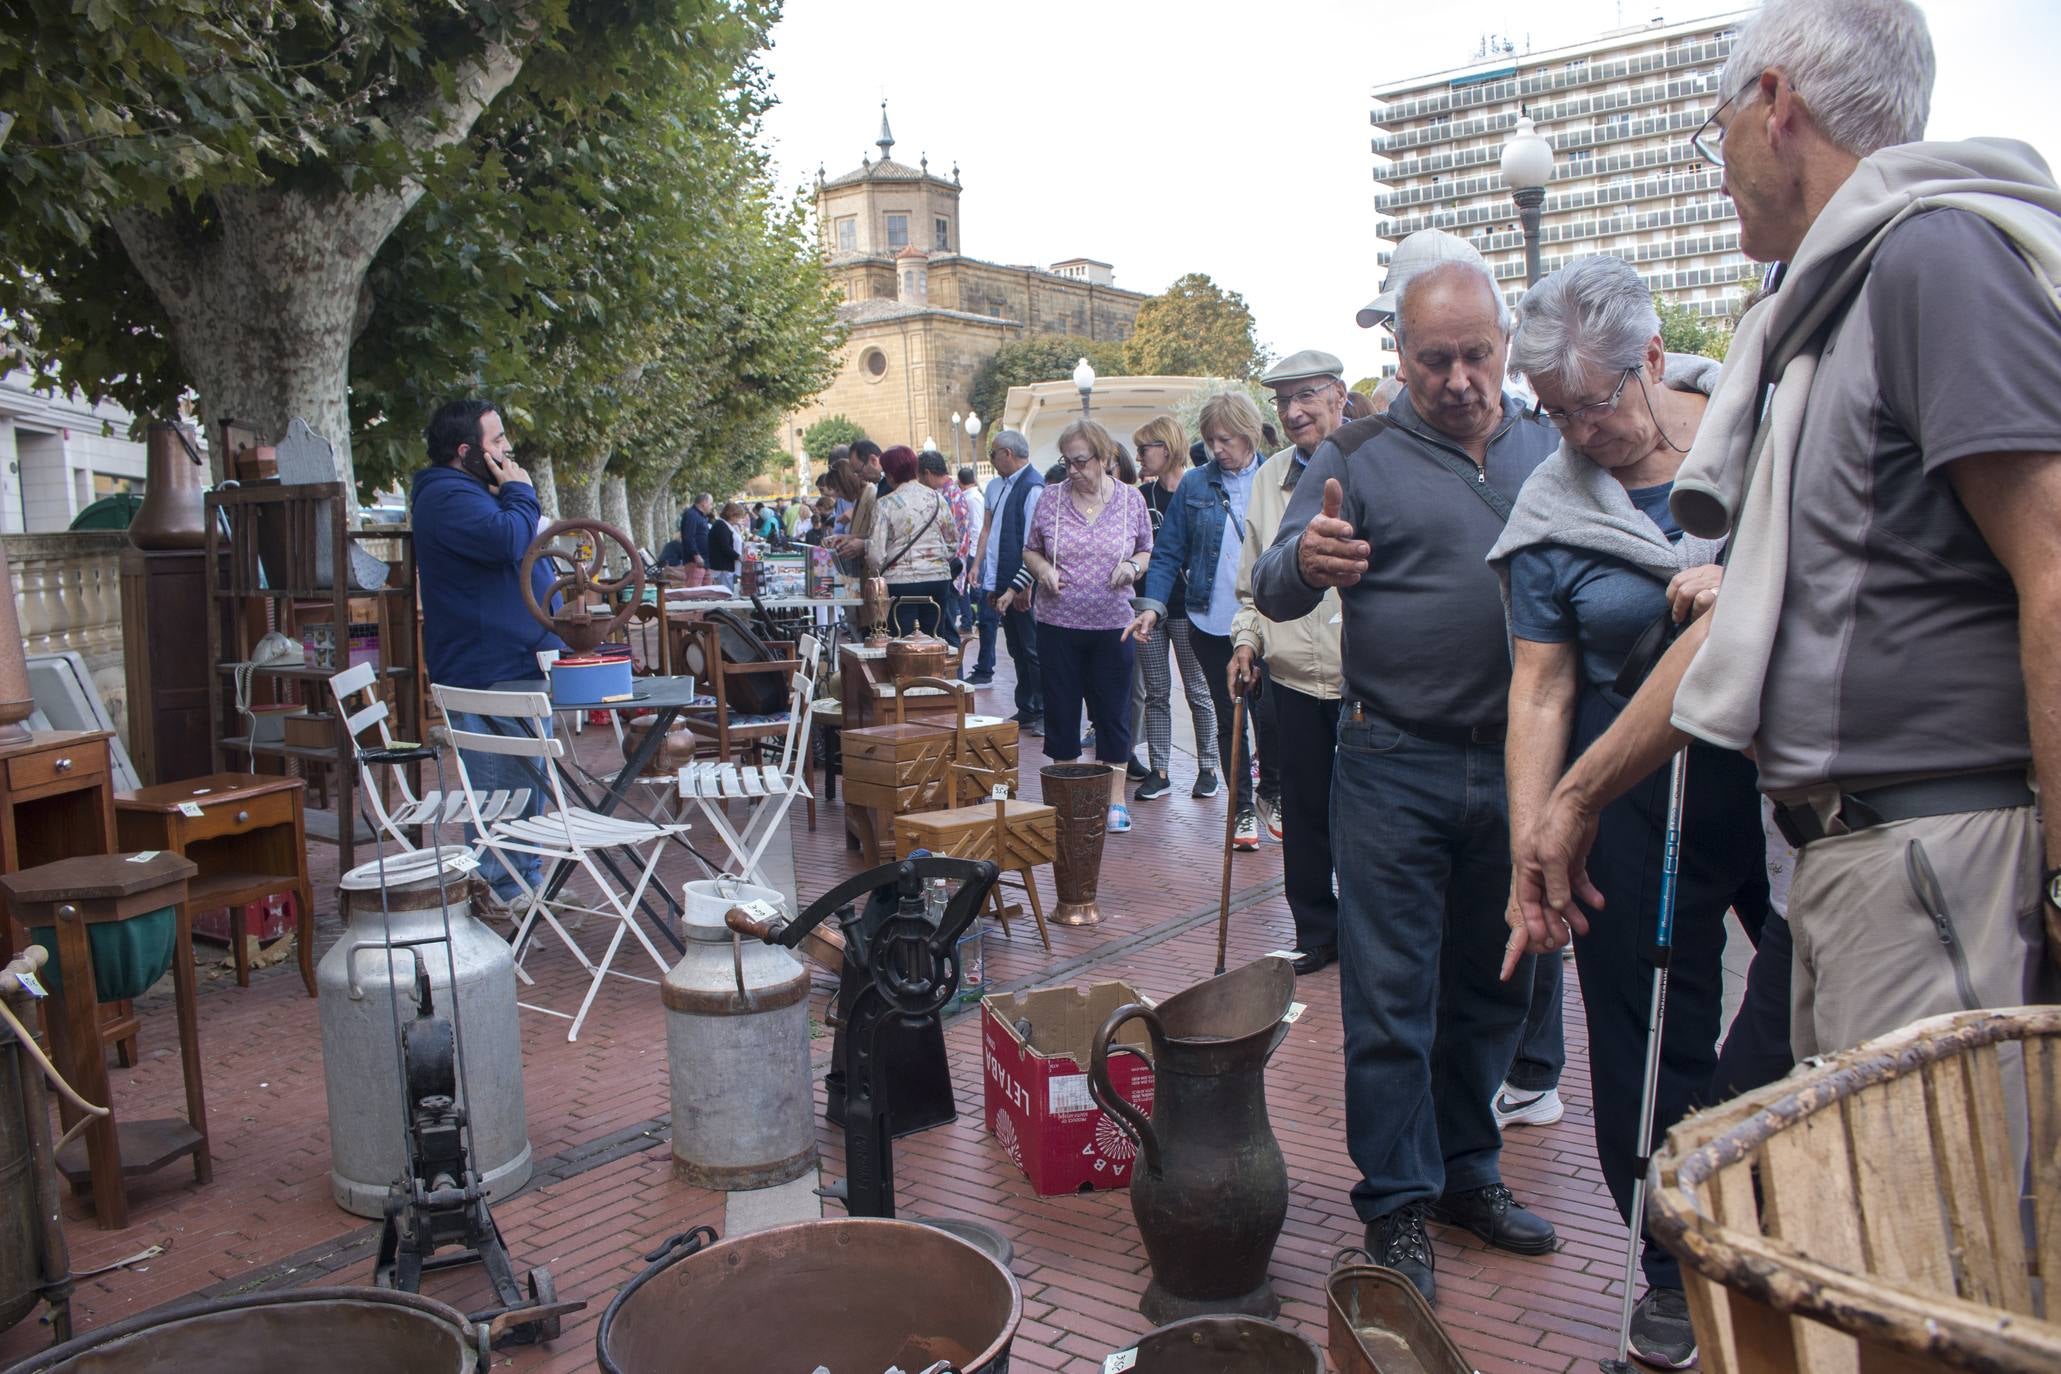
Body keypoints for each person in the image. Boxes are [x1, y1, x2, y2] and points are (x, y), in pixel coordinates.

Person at [1515, 0, 2061, 1075]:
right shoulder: (1835, 304)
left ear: (1776, 103)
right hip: (1864, 865)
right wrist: (1576, 797)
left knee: (1918, 1236)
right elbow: (1758, 614)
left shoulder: (1931, 257)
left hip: (1933, 857)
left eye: (1711, 123)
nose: (1712, 156)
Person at [1488, 255, 1784, 1369]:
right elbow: (1542, 686)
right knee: (1640, 1047)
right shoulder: (1554, 502)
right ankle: (1666, 1269)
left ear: (1655, 359)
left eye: (1596, 401)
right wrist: (1537, 839)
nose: (1577, 430)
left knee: (1800, 1009)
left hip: (1780, 787)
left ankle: (1761, 1214)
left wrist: (1745, 580)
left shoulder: (1765, 434)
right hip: (1631, 796)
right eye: (1553, 410)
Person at [1252, 252, 1563, 1304]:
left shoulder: (1545, 444)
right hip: (1393, 763)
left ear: (1505, 346)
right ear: (1400, 354)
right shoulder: (1357, 452)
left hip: (1518, 766)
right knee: (1391, 1000)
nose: (1460, 378)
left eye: (1478, 354)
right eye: (1436, 360)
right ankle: (1396, 1205)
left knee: (1494, 991)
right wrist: (1311, 560)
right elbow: (1274, 582)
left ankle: (1469, 1175)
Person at [411, 399, 564, 907]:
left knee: (525, 783)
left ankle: (522, 882)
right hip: (486, 671)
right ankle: (501, 891)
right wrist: (520, 492)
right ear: (466, 451)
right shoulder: (446, 497)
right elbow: (507, 539)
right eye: (497, 441)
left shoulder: (470, 491)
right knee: (502, 787)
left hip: (510, 663)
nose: (507, 450)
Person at [1234, 350, 1350, 975]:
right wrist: (1246, 641)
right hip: (1294, 675)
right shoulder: (1269, 477)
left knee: (1364, 814)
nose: (1294, 411)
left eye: (1306, 396)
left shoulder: (1371, 456)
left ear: (1338, 394)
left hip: (1364, 678)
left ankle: (1367, 927)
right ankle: (1317, 930)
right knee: (1303, 813)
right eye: (1283, 400)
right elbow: (1253, 578)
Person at [1130, 391, 1269, 851]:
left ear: (1248, 433)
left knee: (1273, 715)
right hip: (1212, 621)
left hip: (1272, 621)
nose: (1217, 450)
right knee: (1232, 717)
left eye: (1225, 439)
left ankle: (1274, 791)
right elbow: (1167, 552)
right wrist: (1152, 606)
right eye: (1210, 441)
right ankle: (1242, 808)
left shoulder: (1277, 476)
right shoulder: (1195, 485)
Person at [1003, 419, 1151, 832]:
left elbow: (1145, 550)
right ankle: (1068, 796)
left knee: (1113, 712)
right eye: (1067, 462)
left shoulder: (1131, 501)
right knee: (1062, 709)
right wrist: (1043, 570)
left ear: (1104, 458)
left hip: (1113, 625)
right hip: (1059, 623)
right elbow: (1030, 550)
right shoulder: (1051, 499)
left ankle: (1115, 801)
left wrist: (1131, 565)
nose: (1072, 470)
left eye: (1081, 462)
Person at [1126, 416, 1218, 802]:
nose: (1139, 456)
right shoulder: (1142, 497)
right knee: (1157, 692)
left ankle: (1208, 766)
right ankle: (1160, 769)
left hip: (1187, 606)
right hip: (1149, 604)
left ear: (1166, 447)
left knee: (1198, 689)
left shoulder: (1199, 490)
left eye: (1144, 448)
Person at [972, 431, 1043, 731]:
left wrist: (1023, 585)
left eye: (993, 454)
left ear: (1008, 454)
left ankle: (1041, 708)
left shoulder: (1032, 487)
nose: (991, 460)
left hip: (1022, 582)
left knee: (1032, 648)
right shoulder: (1001, 486)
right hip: (1004, 579)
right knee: (1016, 646)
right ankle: (1026, 705)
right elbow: (994, 533)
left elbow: (1033, 541)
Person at [867, 445, 958, 639]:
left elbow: (875, 556)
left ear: (890, 474)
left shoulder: (885, 504)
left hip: (900, 583)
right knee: (934, 641)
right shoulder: (937, 498)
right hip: (937, 580)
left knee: (903, 643)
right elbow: (952, 542)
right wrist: (934, 560)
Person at [957, 465, 985, 637]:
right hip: (974, 549)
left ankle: (969, 622)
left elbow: (975, 527)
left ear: (961, 482)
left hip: (972, 549)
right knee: (970, 588)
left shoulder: (970, 498)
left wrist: (971, 551)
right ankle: (974, 620)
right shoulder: (977, 496)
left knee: (966, 588)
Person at [708, 500, 748, 589]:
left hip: (725, 566)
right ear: (732, 515)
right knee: (726, 591)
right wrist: (738, 557)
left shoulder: (724, 525)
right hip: (722, 566)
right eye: (738, 517)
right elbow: (725, 546)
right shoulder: (721, 526)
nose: (738, 520)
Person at [678, 493, 713, 576]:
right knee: (695, 587)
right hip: (695, 561)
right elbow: (688, 537)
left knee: (707, 588)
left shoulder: (702, 516)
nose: (711, 506)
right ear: (704, 503)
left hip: (706, 560)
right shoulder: (691, 515)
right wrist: (696, 555)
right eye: (710, 503)